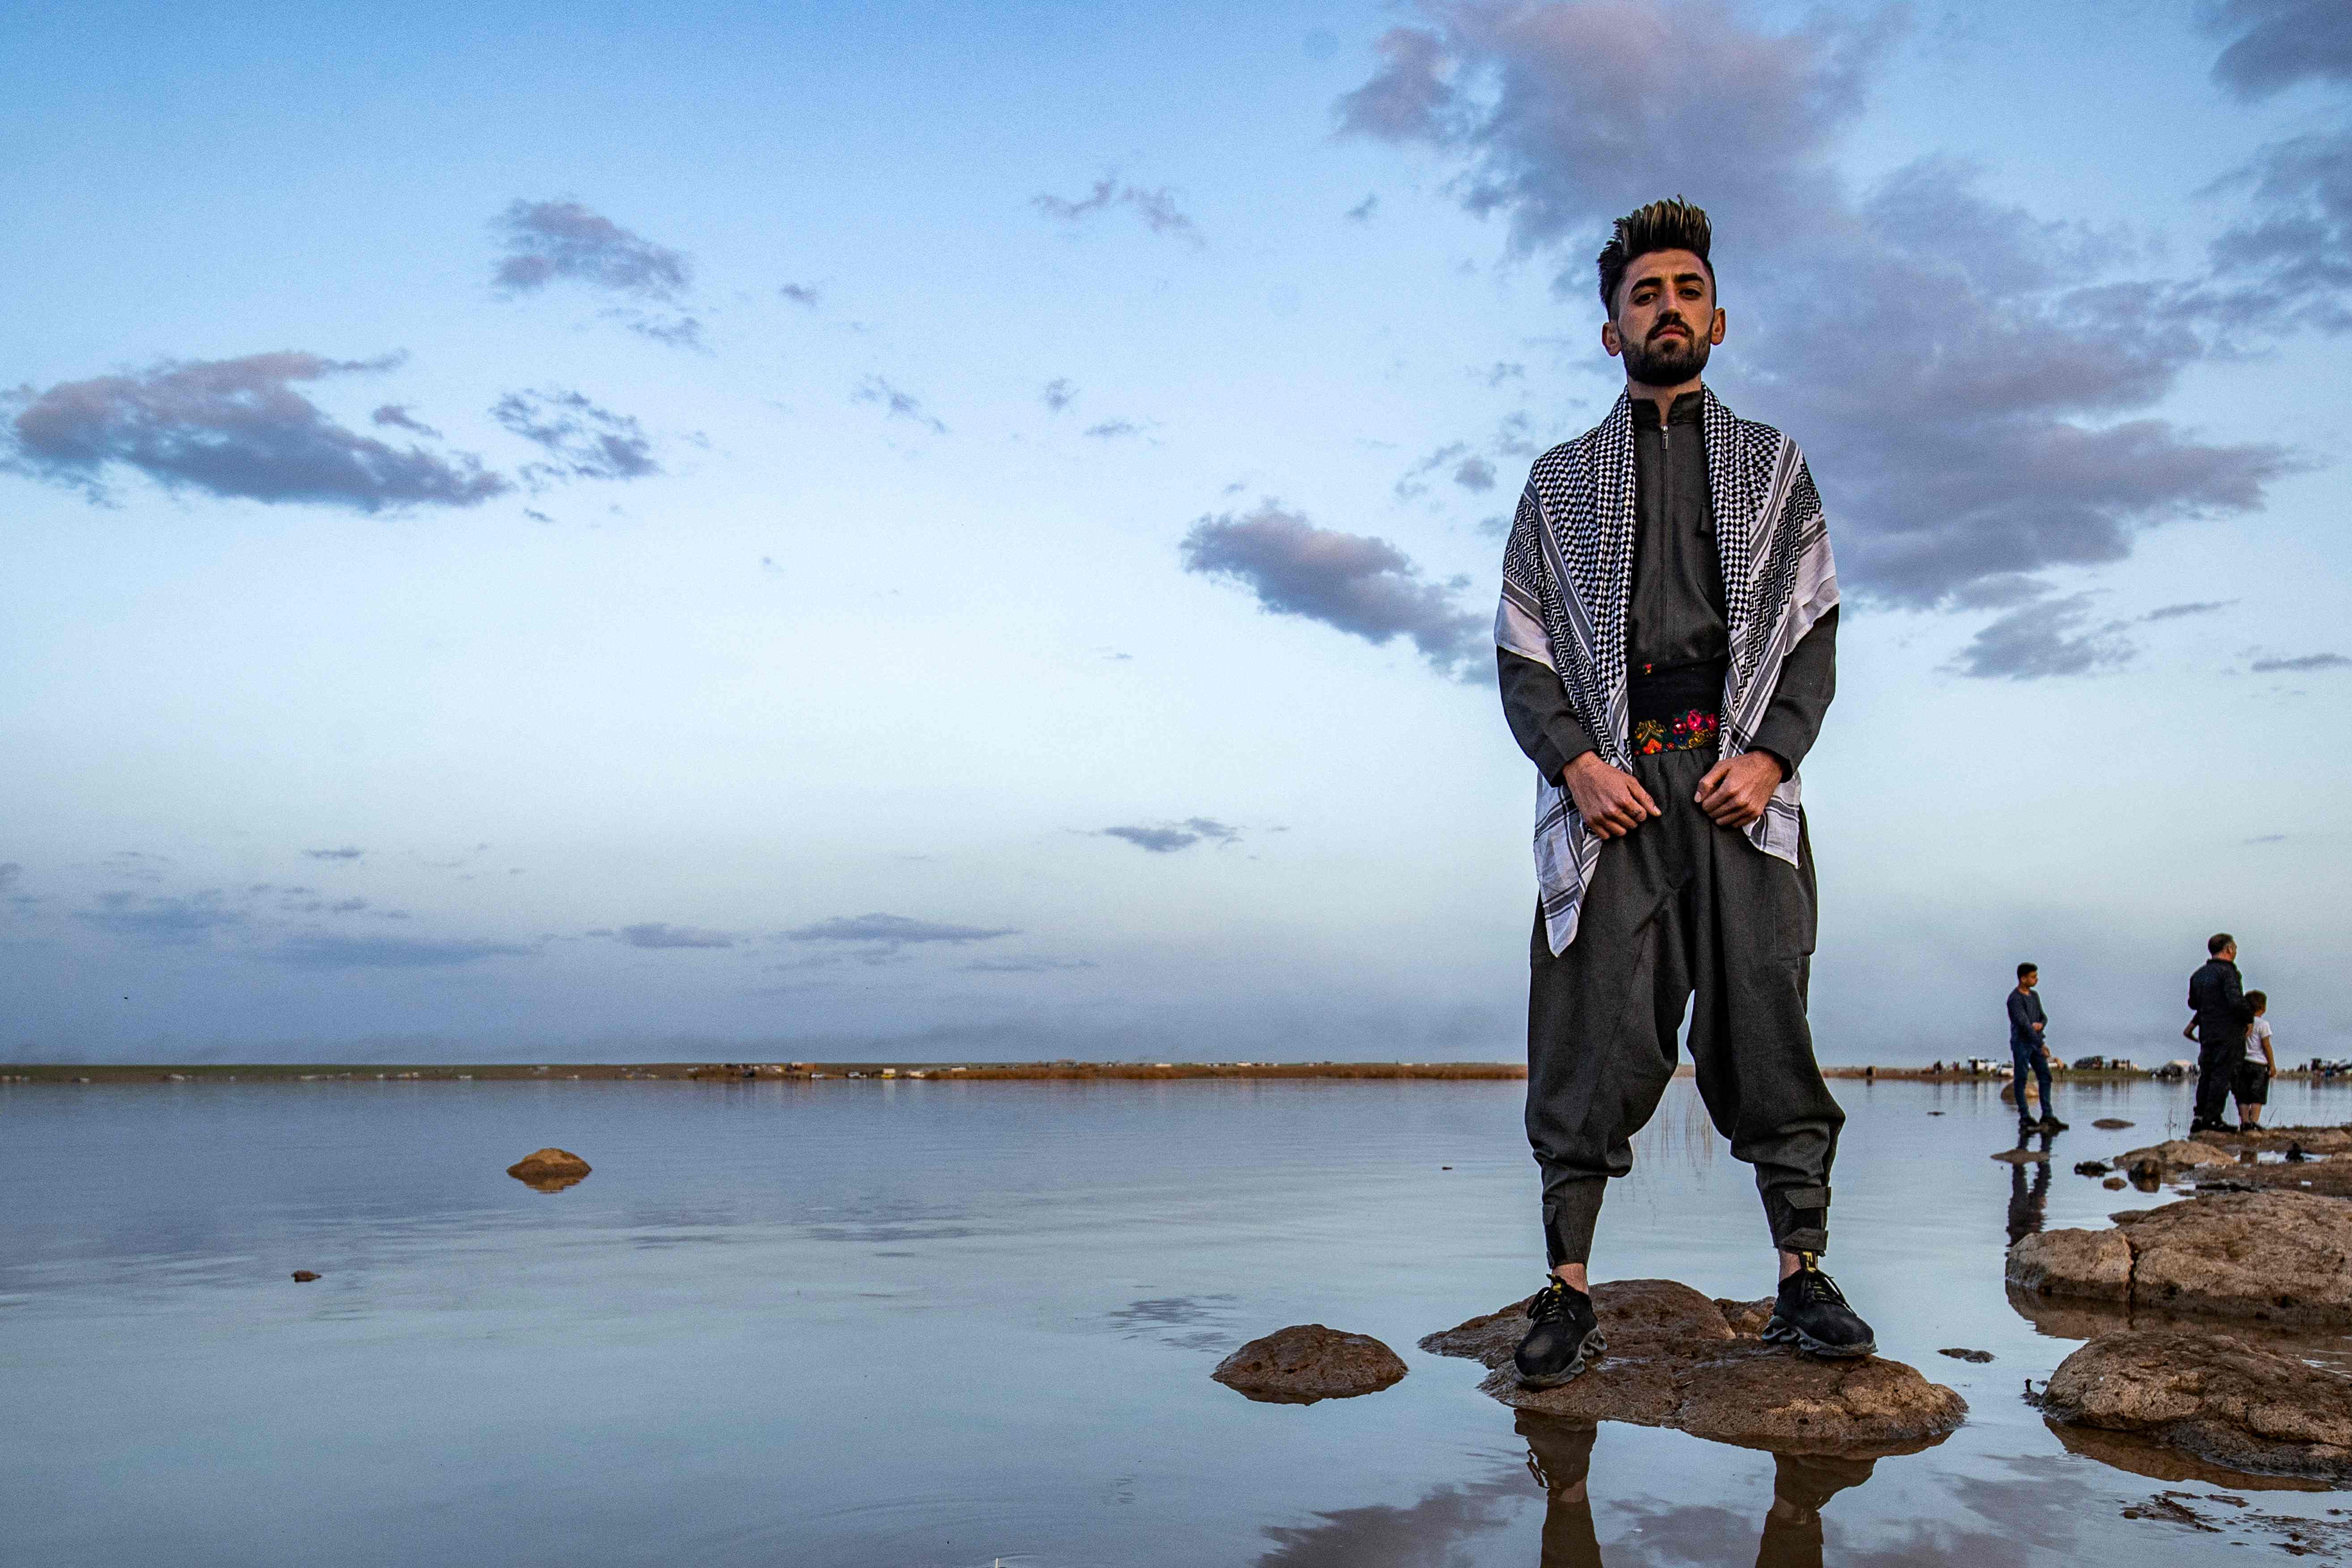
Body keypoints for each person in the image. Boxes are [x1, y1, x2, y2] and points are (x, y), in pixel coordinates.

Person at [1496, 197, 1870, 1388]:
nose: (1669, 308)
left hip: (1740, 784)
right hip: (1616, 793)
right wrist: (1578, 763)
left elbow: (1811, 632)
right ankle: (1567, 1293)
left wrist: (1771, 758)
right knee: (1590, 1032)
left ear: (1720, 316)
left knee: (1768, 1025)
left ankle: (1801, 1279)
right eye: (1645, 293)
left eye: (1688, 290)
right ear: (1611, 329)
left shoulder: (1774, 468)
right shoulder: (1560, 483)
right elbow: (1522, 652)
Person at [2188, 933, 2254, 1134]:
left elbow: (2192, 1003)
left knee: (2206, 1074)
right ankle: (2213, 1119)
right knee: (2222, 1074)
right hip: (2228, 1031)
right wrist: (2249, 1017)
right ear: (2228, 950)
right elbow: (2235, 1001)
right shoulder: (2229, 973)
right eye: (2234, 947)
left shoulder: (2198, 975)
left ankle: (2200, 1117)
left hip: (2207, 1031)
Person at [2006, 963, 2065, 1132]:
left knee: (2045, 1076)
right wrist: (2041, 1044)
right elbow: (2024, 1024)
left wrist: (2041, 1025)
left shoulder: (2035, 996)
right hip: (2022, 1043)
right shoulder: (2015, 999)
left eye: (2036, 976)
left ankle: (2048, 1116)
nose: (2036, 979)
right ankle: (2025, 1118)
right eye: (2033, 977)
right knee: (2021, 1078)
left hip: (2036, 1041)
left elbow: (2044, 1016)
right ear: (2023, 978)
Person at [2235, 990, 2276, 1129]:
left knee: (2243, 1094)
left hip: (2242, 1063)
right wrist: (2272, 1065)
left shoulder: (2241, 1024)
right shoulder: (2263, 1024)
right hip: (2259, 1064)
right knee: (2258, 1094)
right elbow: (2266, 1045)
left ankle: (2245, 1122)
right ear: (2263, 1008)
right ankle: (2255, 1121)